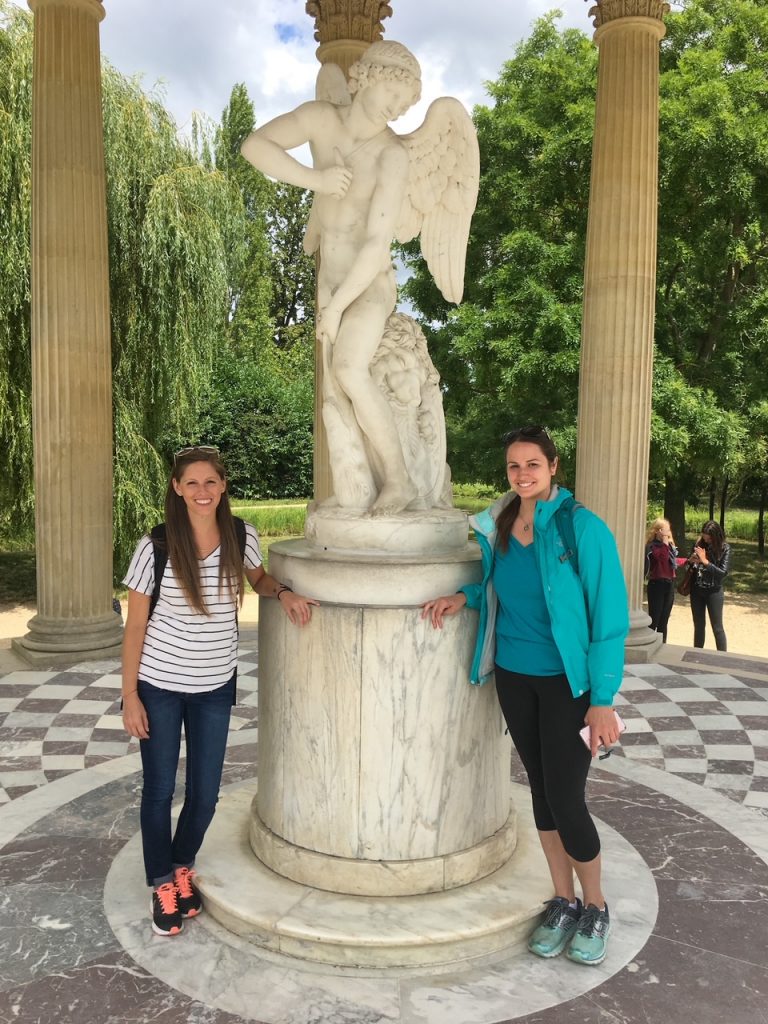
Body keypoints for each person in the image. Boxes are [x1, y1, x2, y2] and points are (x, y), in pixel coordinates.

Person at [421, 427, 628, 966]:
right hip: (514, 675)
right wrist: (461, 596)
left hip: (568, 683)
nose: (523, 474)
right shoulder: (499, 523)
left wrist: (603, 698)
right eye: (514, 466)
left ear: (554, 466)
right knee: (539, 791)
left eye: (533, 464)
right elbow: (498, 585)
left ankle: (596, 905)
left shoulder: (583, 528)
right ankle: (561, 899)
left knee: (567, 798)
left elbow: (609, 618)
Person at [121, 446, 318, 936]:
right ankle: (161, 881)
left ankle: (182, 864)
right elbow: (135, 624)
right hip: (160, 685)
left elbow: (257, 579)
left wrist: (285, 592)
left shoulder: (239, 535)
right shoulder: (157, 546)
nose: (202, 491)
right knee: (160, 789)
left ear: (223, 486)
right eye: (192, 483)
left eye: (211, 482)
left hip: (214, 685)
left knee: (205, 794)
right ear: (177, 488)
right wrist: (130, 695)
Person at [240, 41, 422, 515]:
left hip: (366, 286)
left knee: (347, 370)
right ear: (367, 75)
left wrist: (337, 306)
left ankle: (399, 481)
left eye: (405, 104)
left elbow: (377, 243)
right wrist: (315, 180)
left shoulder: (392, 157)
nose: (397, 108)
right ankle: (357, 490)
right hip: (330, 281)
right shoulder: (322, 119)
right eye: (393, 91)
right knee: (333, 393)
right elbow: (254, 146)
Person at [688, 520, 730, 651]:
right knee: (698, 625)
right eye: (704, 534)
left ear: (715, 535)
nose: (705, 538)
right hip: (697, 589)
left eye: (708, 535)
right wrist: (691, 562)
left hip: (714, 591)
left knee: (717, 627)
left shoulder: (725, 548)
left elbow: (722, 573)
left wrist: (705, 561)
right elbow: (691, 568)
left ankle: (722, 658)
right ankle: (697, 654)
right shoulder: (699, 544)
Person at [644, 517, 678, 642]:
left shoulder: (668, 547)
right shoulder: (652, 547)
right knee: (655, 618)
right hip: (656, 585)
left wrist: (688, 561)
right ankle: (649, 643)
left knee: (664, 620)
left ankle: (663, 644)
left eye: (669, 531)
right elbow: (661, 559)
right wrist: (665, 542)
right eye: (665, 531)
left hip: (669, 584)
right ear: (657, 531)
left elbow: (671, 563)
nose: (668, 534)